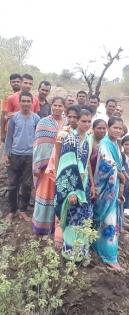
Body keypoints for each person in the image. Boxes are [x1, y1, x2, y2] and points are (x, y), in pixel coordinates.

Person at [55, 109, 94, 260]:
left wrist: (91, 183)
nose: (86, 124)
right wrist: (71, 191)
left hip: (83, 185)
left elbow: (87, 163)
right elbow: (66, 166)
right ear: (76, 121)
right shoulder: (70, 139)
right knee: (72, 218)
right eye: (83, 121)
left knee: (84, 218)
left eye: (89, 121)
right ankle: (69, 254)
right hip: (72, 187)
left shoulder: (89, 138)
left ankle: (80, 252)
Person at [92, 117, 125, 271]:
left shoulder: (116, 145)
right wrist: (118, 173)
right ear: (109, 127)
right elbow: (107, 165)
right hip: (106, 187)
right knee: (109, 220)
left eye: (120, 128)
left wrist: (121, 177)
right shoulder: (105, 143)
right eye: (115, 128)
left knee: (109, 220)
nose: (118, 131)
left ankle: (98, 246)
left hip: (114, 187)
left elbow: (118, 164)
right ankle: (109, 256)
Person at [3, 91, 40, 223]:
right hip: (15, 155)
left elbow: (39, 139)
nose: (25, 103)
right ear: (19, 102)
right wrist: (6, 154)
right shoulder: (14, 118)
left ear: (32, 103)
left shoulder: (36, 119)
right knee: (12, 184)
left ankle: (22, 210)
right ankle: (12, 210)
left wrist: (38, 157)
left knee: (27, 184)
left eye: (28, 101)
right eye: (23, 101)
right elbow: (9, 137)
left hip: (30, 156)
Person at [32, 97, 66, 235]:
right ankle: (41, 225)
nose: (57, 108)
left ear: (64, 107)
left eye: (60, 105)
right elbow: (39, 144)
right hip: (46, 167)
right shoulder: (43, 122)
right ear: (51, 106)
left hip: (63, 165)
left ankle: (56, 227)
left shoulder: (68, 123)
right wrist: (40, 165)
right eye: (55, 105)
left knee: (59, 195)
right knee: (46, 193)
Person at [1, 74, 21, 143]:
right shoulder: (7, 97)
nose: (16, 83)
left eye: (18, 82)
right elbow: (3, 115)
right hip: (9, 130)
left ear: (21, 82)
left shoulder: (26, 97)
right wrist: (2, 133)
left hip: (21, 130)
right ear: (10, 83)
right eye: (13, 82)